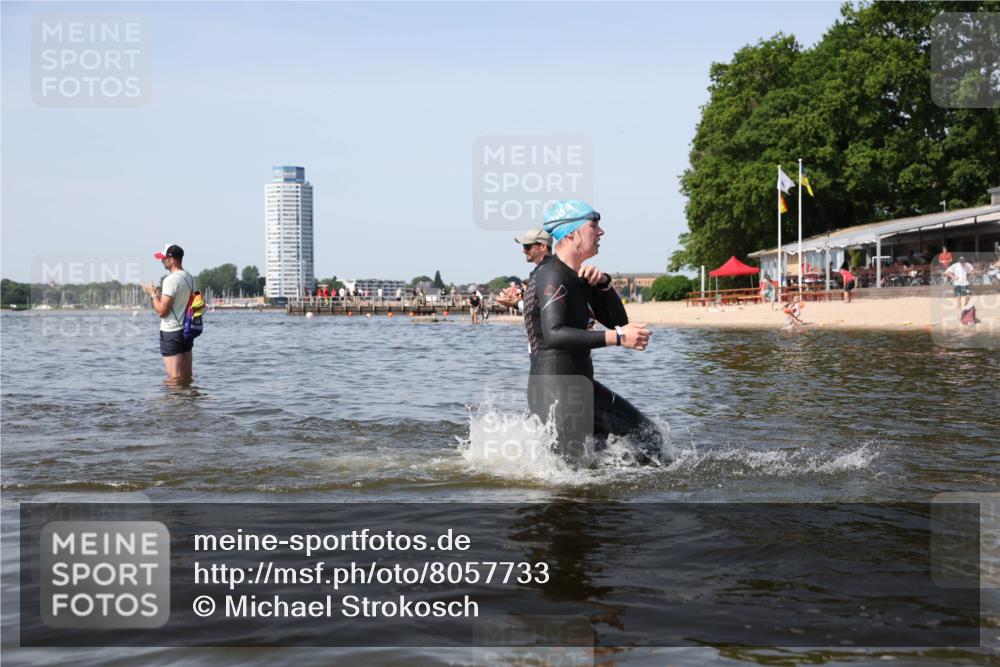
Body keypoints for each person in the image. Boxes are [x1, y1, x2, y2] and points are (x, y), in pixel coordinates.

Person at [524, 199, 661, 463]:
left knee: (646, 439)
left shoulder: (577, 276)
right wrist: (618, 339)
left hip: (580, 388)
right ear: (572, 233)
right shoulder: (552, 274)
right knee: (572, 473)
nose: (601, 232)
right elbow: (554, 333)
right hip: (558, 392)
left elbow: (618, 321)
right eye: (594, 225)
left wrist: (604, 284)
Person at [142, 244, 195, 383]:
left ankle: (174, 398)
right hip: (187, 331)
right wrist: (158, 295)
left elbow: (162, 312)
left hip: (172, 332)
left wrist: (152, 294)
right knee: (186, 377)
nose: (161, 261)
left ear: (172, 260)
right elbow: (178, 303)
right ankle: (189, 398)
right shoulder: (189, 277)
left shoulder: (171, 280)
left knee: (174, 379)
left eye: (164, 258)